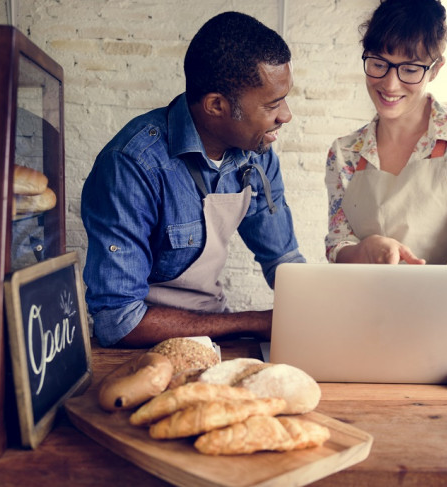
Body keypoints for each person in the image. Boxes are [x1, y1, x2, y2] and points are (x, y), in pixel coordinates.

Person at [82, 11, 305, 348]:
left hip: (215, 332)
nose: (286, 115)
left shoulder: (256, 153)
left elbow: (283, 261)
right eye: (272, 104)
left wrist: (318, 309)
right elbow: (119, 321)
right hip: (144, 346)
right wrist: (255, 323)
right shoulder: (132, 165)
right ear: (216, 105)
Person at [324, 0, 447, 393]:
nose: (390, 84)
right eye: (379, 63)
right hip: (363, 337)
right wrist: (365, 249)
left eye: (409, 69)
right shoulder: (345, 152)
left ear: (435, 69)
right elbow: (338, 245)